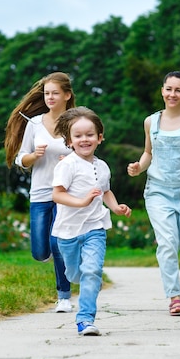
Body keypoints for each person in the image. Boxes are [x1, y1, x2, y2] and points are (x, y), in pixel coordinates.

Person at [127, 70, 180, 317]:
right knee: (167, 243)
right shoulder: (150, 122)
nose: (172, 94)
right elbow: (148, 154)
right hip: (158, 192)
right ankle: (174, 297)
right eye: (168, 89)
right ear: (162, 91)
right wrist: (138, 167)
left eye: (178, 90)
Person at [52, 106, 132, 336]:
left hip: (95, 228)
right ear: (69, 140)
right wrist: (82, 201)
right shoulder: (66, 165)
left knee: (93, 271)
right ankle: (73, 275)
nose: (84, 139)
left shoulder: (103, 166)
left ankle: (85, 319)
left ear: (100, 137)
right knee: (75, 274)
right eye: (78, 136)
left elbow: (105, 191)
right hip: (67, 232)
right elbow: (57, 195)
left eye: (89, 135)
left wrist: (116, 207)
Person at [4, 72, 75, 313]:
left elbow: (88, 151)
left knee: (58, 243)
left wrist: (73, 158)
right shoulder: (34, 124)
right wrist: (34, 156)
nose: (50, 97)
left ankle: (63, 296)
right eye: (47, 93)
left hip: (66, 193)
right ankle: (61, 258)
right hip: (40, 193)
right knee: (40, 251)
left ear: (67, 95)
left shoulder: (75, 122)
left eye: (55, 93)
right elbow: (20, 159)